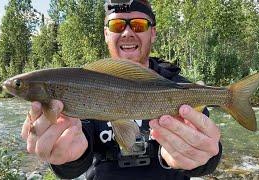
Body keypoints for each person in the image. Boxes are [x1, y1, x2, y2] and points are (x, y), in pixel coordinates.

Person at [21, 0, 222, 179]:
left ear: (153, 32)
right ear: (106, 34)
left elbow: (209, 149)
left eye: (138, 25)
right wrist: (66, 159)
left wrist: (201, 159)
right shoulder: (81, 86)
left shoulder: (177, 86)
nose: (127, 32)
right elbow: (73, 162)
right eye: (117, 25)